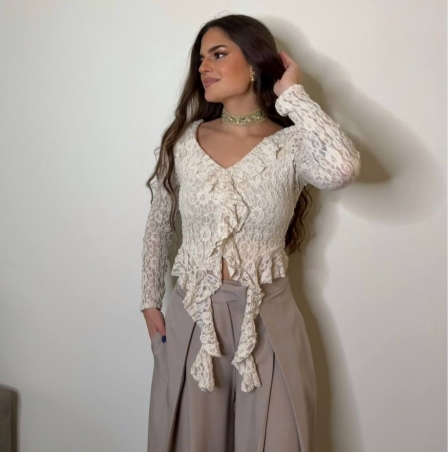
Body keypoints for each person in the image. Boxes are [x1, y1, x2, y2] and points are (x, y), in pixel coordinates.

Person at [140, 13, 361, 452]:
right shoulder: (183, 141)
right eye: (201, 58)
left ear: (255, 63)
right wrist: (149, 301)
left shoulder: (292, 144)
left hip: (269, 317)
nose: (204, 67)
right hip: (192, 316)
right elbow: (159, 223)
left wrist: (292, 95)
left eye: (218, 54)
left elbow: (342, 169)